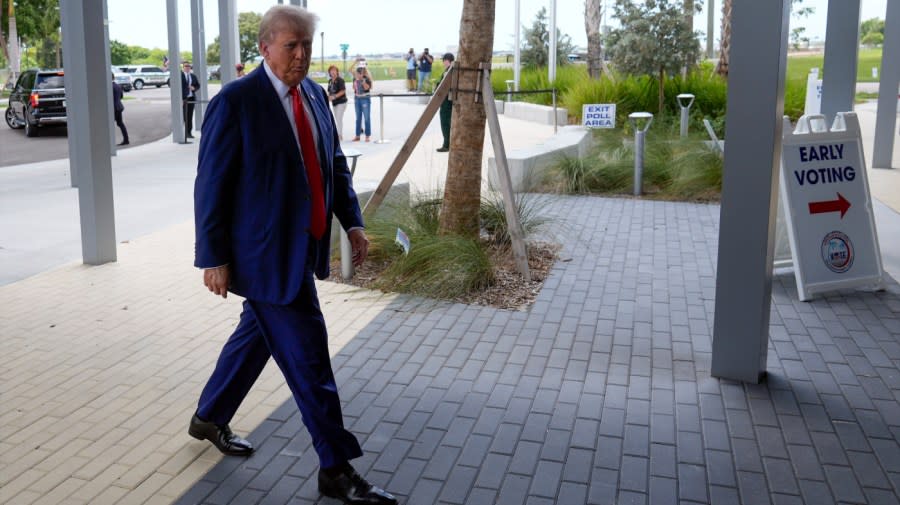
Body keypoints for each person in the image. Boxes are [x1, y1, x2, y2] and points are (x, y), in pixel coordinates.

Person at [190, 6, 397, 505]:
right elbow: (211, 185)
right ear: (264, 48)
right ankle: (336, 469)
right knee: (310, 363)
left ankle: (209, 416)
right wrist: (212, 257)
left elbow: (334, 166)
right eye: (290, 46)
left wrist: (352, 222)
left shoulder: (316, 95)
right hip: (261, 257)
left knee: (256, 336)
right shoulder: (236, 102)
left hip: (303, 246)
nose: (301, 55)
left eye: (306, 45)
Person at [436, 53, 455, 153]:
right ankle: (448, 143)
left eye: (443, 60)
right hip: (448, 101)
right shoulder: (451, 70)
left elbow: (443, 86)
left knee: (445, 123)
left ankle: (446, 144)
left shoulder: (449, 72)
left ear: (447, 60)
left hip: (446, 102)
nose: (443, 62)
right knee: (447, 123)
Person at [351, 63, 372, 142]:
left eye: (358, 73)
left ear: (362, 73)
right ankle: (357, 135)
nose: (357, 75)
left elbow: (367, 87)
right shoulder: (355, 79)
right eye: (356, 73)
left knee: (366, 118)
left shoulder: (366, 79)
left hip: (365, 99)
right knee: (358, 118)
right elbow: (354, 88)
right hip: (357, 99)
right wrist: (355, 82)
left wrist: (362, 81)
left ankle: (367, 135)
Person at [327, 65, 347, 141]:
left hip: (341, 102)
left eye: (334, 70)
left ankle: (339, 135)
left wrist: (334, 97)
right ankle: (337, 134)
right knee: (336, 118)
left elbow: (343, 91)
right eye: (331, 70)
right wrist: (328, 98)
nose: (333, 72)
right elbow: (329, 92)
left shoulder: (340, 80)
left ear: (337, 71)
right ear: (329, 72)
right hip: (334, 103)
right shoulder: (330, 81)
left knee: (338, 118)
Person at [181, 61, 200, 139]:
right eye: (186, 66)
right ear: (183, 67)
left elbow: (198, 85)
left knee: (189, 116)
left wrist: (194, 88)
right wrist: (181, 99)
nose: (187, 67)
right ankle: (183, 133)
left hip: (191, 98)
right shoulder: (180, 75)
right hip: (183, 99)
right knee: (184, 116)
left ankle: (189, 133)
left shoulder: (193, 76)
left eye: (189, 66)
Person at [111, 72, 129, 146]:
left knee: (110, 125)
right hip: (119, 106)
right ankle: (126, 139)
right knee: (120, 123)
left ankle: (109, 142)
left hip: (114, 108)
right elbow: (121, 96)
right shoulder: (118, 86)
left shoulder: (110, 86)